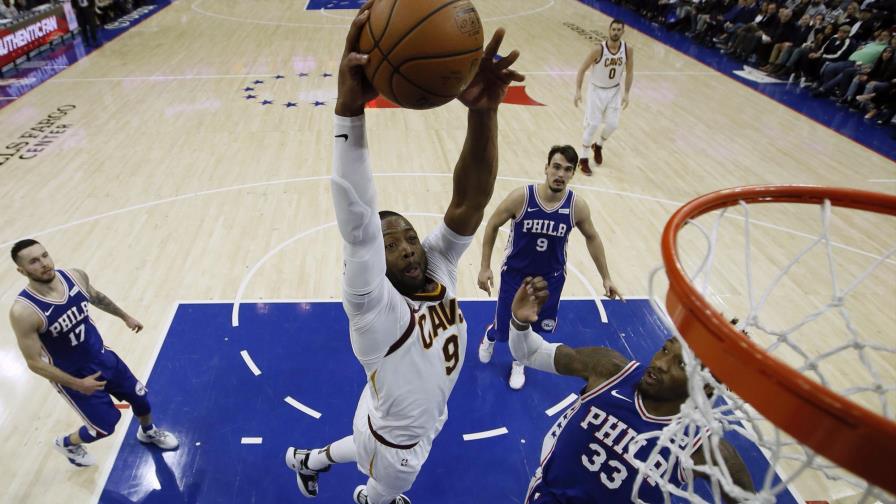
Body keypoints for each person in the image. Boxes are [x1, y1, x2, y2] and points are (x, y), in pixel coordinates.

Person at [283, 3, 524, 504]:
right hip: (400, 448)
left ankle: (307, 461)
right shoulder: (374, 309)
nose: (409, 250)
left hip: (384, 415)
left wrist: (484, 111)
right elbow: (358, 224)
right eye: (391, 247)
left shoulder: (437, 266)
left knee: (361, 440)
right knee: (381, 494)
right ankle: (369, 496)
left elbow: (470, 199)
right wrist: (349, 113)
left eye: (409, 237)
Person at [507, 276, 755, 503]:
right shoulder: (611, 371)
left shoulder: (702, 448)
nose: (659, 363)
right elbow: (530, 352)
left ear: (707, 387)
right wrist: (519, 322)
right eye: (666, 349)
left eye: (680, 364)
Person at [8, 239, 178, 467]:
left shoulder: (75, 276)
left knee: (141, 399)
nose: (44, 263)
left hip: (102, 356)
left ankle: (148, 432)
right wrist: (78, 384)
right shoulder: (24, 312)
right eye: (34, 261)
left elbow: (95, 296)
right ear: (22, 270)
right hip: (74, 375)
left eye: (45, 255)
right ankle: (66, 443)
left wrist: (125, 316)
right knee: (105, 427)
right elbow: (34, 363)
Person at [476, 146, 622, 389]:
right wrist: (484, 267)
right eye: (556, 167)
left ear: (572, 174)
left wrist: (606, 277)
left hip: (551, 279)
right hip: (516, 276)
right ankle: (490, 335)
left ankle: (519, 363)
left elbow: (592, 237)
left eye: (567, 170)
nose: (560, 174)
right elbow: (491, 224)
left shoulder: (577, 206)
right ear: (546, 168)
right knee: (504, 328)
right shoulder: (521, 197)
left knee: (531, 326)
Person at [574, 19, 635, 174]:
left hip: (614, 91)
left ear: (623, 31)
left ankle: (598, 145)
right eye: (613, 29)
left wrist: (627, 93)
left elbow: (630, 72)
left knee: (613, 125)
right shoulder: (598, 50)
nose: (615, 32)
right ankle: (583, 159)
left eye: (618, 30)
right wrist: (578, 91)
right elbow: (581, 69)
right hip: (596, 91)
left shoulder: (628, 49)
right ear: (609, 30)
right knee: (593, 125)